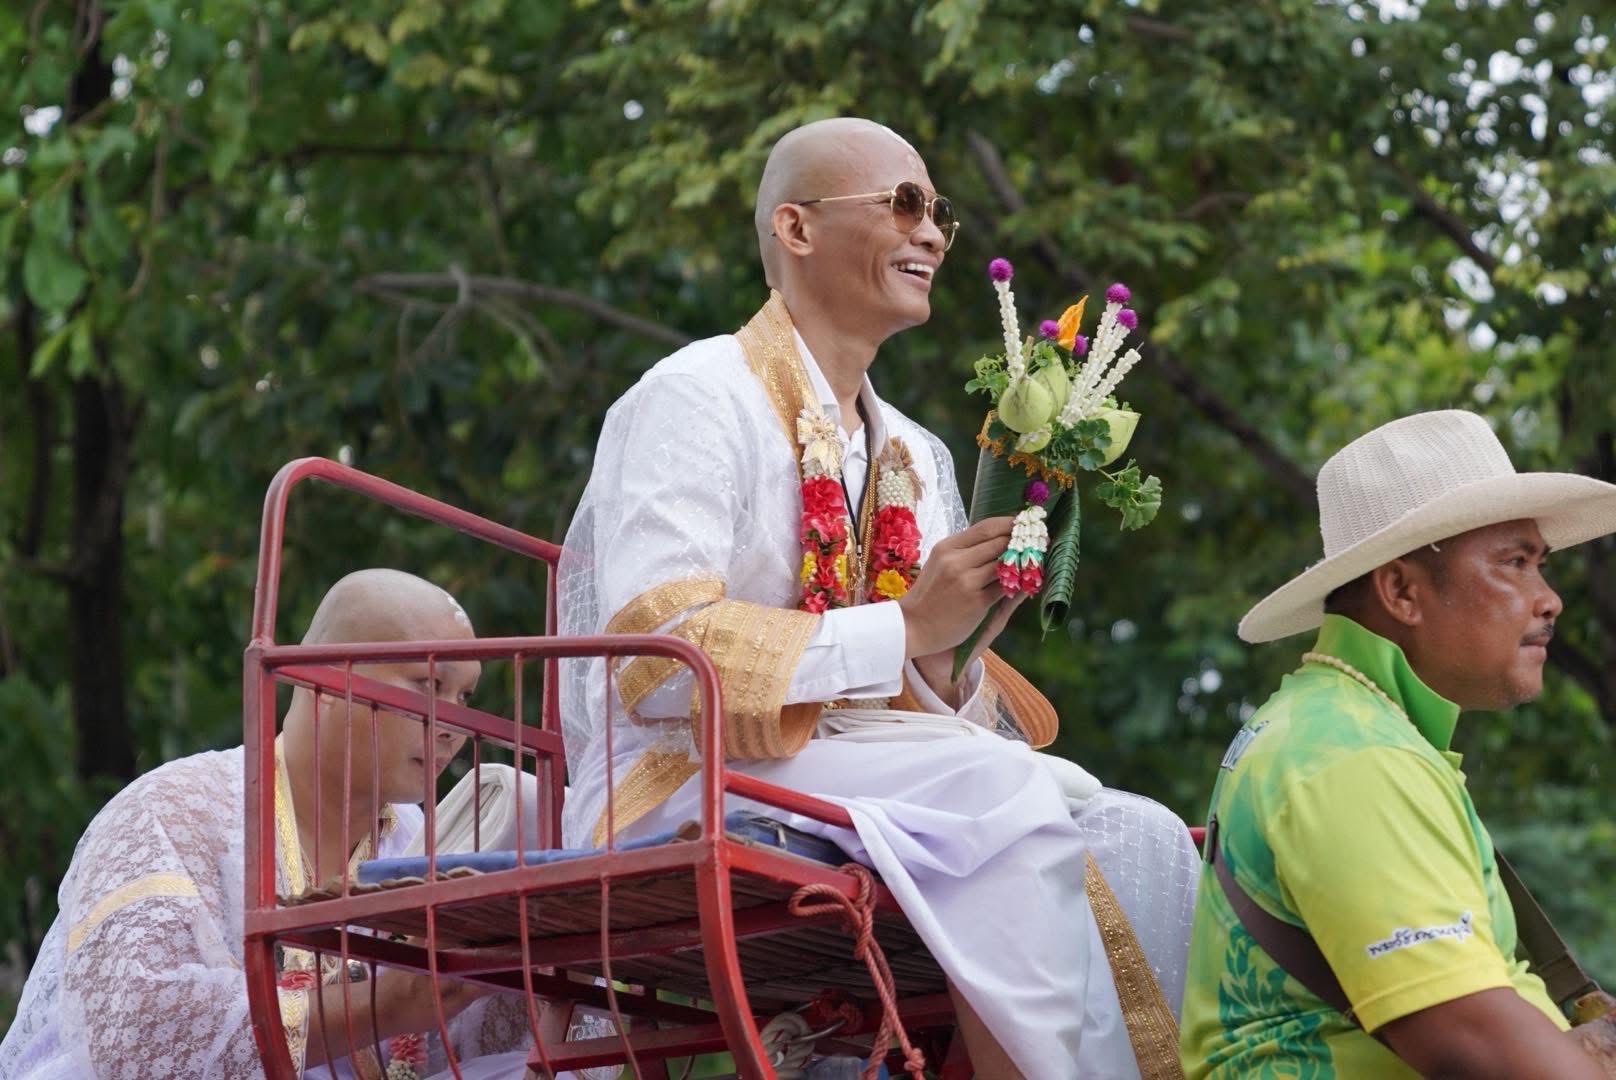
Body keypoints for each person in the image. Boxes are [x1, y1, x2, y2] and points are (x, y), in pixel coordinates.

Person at [558, 116, 1200, 1079]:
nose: (932, 232)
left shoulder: (915, 453)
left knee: (1138, 830)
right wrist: (904, 624)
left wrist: (948, 653)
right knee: (1005, 788)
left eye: (938, 211)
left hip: (859, 768)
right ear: (796, 228)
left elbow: (920, 700)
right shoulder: (693, 395)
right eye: (903, 204)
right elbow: (658, 657)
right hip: (683, 776)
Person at [1178, 409, 1616, 1078]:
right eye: (1516, 563)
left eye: (1541, 565)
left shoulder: (1340, 726)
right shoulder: (1352, 757)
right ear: (1403, 591)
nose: (1549, 598)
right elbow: (1477, 1050)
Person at [0, 568, 534, 1078]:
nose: (452, 724)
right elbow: (134, 1031)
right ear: (329, 679)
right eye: (428, 684)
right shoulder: (178, 807)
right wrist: (381, 1005)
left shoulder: (427, 841)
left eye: (464, 697)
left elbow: (463, 1044)